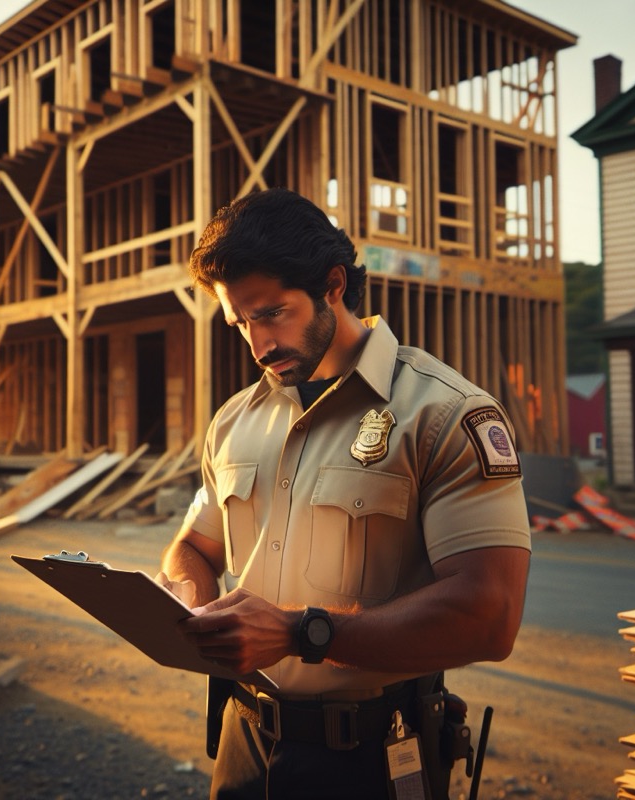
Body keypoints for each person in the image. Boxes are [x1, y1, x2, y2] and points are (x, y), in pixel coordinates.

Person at [157, 188, 531, 800]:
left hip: (375, 756)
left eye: (272, 314)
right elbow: (193, 547)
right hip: (243, 738)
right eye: (240, 323)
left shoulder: (445, 414)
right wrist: (192, 604)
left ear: (333, 285)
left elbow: (490, 616)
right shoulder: (233, 421)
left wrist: (300, 633)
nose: (258, 345)